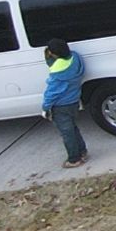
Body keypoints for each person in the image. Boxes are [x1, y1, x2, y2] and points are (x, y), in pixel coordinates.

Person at [41, 39, 86, 167]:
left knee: (67, 133)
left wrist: (45, 107)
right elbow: (57, 63)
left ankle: (74, 159)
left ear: (54, 54)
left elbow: (52, 92)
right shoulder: (75, 57)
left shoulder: (57, 71)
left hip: (60, 106)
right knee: (73, 128)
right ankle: (82, 151)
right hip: (74, 101)